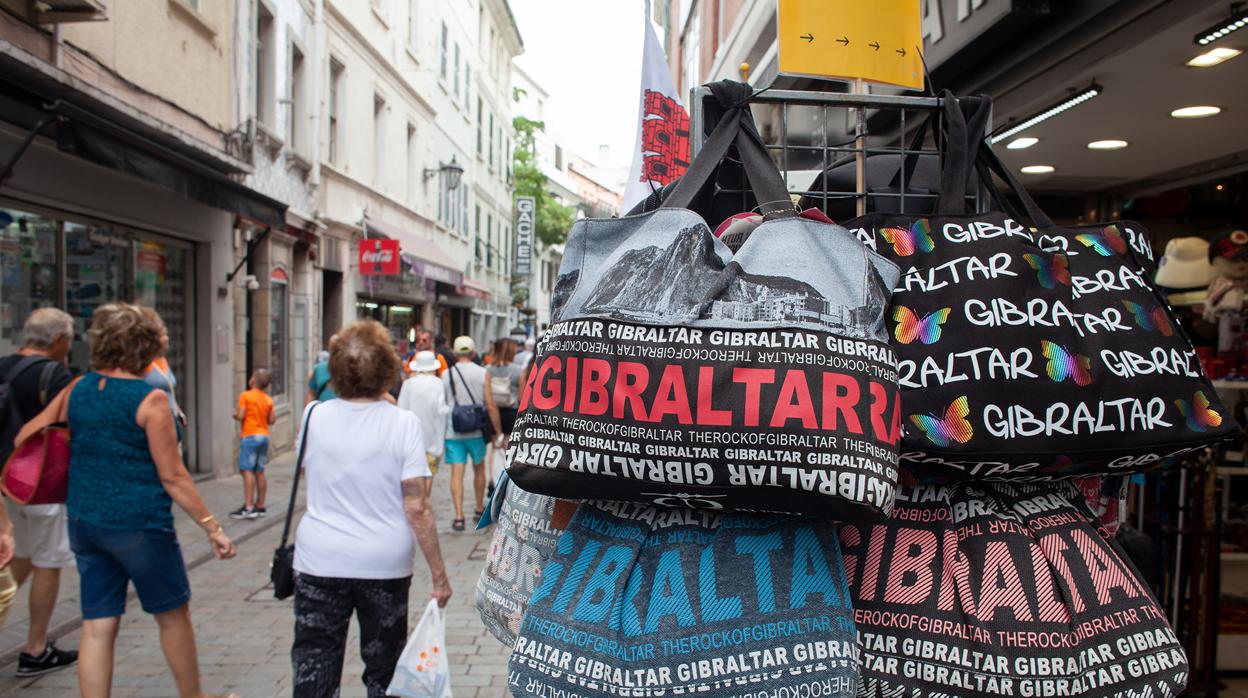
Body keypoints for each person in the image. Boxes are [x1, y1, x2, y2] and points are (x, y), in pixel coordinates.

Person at [17, 303, 236, 698]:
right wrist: (212, 527)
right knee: (172, 616)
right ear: (146, 346)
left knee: (98, 624)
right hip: (140, 525)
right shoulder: (148, 400)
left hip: (85, 520)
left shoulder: (76, 388)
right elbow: (173, 475)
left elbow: (25, 438)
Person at [291, 320, 451, 697]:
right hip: (383, 562)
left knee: (314, 665)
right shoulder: (403, 424)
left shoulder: (313, 415)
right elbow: (417, 506)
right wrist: (440, 576)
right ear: (388, 369)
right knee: (383, 670)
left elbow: (306, 467)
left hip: (319, 558)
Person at [0, 308, 78, 676]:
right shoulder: (56, 374)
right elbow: (69, 427)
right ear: (59, 339)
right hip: (41, 484)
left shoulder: (2, 366)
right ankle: (35, 648)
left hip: (5, 484)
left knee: (22, 553)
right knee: (48, 560)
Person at [443, 336, 489, 531]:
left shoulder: (446, 374)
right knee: (479, 468)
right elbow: (489, 402)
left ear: (454, 353)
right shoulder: (483, 372)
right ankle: (479, 508)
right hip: (476, 429)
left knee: (456, 472)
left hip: (454, 430)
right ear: (473, 352)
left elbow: (445, 401)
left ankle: (459, 516)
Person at [397, 351, 449, 496]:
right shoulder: (438, 383)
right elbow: (440, 409)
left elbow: (401, 409)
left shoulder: (408, 384)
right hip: (433, 436)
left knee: (414, 473)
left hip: (411, 438)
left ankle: (417, 499)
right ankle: (425, 499)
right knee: (429, 473)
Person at [230, 369, 275, 520]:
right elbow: (272, 420)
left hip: (250, 435)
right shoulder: (268, 399)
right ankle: (260, 505)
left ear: (253, 381)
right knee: (259, 471)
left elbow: (241, 415)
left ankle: (248, 506)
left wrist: (235, 415)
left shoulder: (246, 396)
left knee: (246, 470)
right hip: (264, 436)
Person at [484, 338, 521, 499]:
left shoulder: (488, 370)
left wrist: (497, 428)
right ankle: (508, 483)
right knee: (509, 449)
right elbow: (522, 397)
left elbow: (488, 400)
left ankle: (493, 481)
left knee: (495, 448)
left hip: (494, 414)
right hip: (511, 413)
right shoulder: (519, 370)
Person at [144, 330, 186, 441]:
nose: (167, 338)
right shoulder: (145, 364)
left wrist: (178, 410)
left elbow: (169, 389)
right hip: (157, 420)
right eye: (163, 335)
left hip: (172, 418)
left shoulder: (163, 360)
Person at [306, 334, 339, 403]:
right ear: (329, 348)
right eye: (333, 345)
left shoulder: (351, 369)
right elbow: (311, 393)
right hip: (323, 410)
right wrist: (309, 411)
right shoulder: (318, 369)